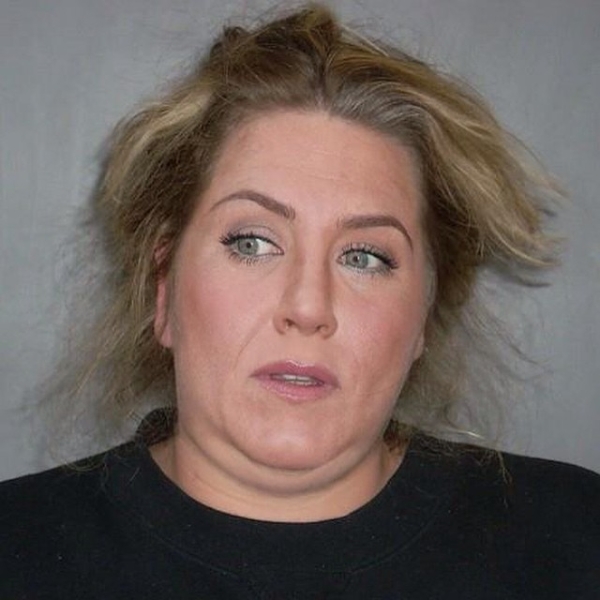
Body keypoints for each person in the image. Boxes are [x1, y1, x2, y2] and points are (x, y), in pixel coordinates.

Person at [1, 4, 598, 598]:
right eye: (252, 243)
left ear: (425, 312)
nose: (308, 308)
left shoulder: (577, 538)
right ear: (164, 286)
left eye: (364, 257)